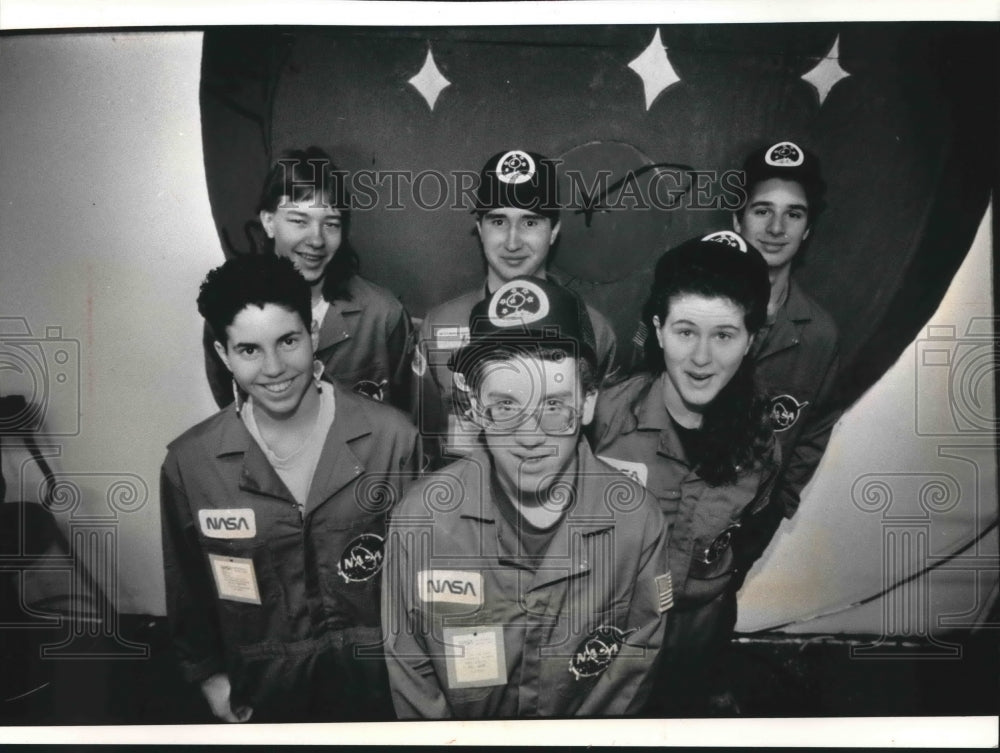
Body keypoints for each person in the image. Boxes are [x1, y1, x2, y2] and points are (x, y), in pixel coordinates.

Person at [383, 277, 670, 718]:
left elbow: (630, 673)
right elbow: (412, 676)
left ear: (589, 401)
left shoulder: (637, 523)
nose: (530, 436)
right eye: (505, 406)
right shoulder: (420, 522)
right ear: (476, 406)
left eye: (554, 405)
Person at [162, 255, 420, 722]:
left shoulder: (393, 439)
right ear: (223, 355)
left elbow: (424, 579)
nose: (275, 367)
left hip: (382, 690)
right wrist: (212, 682)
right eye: (249, 350)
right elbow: (189, 595)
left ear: (314, 335)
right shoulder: (191, 464)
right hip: (266, 697)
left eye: (288, 340)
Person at [590, 231, 780, 714]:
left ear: (751, 340)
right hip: (606, 631)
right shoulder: (606, 420)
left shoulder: (758, 445)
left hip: (696, 637)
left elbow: (754, 527)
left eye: (723, 335)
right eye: (685, 331)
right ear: (657, 330)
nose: (701, 358)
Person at [412, 148, 620, 469]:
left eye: (530, 222)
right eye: (498, 221)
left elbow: (605, 442)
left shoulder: (593, 328)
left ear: (553, 230)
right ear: (479, 228)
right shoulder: (439, 325)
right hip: (464, 503)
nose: (512, 242)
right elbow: (423, 441)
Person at [204, 146, 414, 411]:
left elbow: (409, 417)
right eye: (299, 221)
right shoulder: (228, 312)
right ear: (269, 222)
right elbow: (231, 407)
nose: (316, 240)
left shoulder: (382, 315)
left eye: (331, 224)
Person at [732, 140, 841, 522]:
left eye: (793, 215)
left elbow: (812, 433)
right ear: (738, 219)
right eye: (762, 211)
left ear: (807, 229)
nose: (776, 228)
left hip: (740, 530)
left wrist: (776, 508)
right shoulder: (692, 310)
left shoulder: (819, 334)